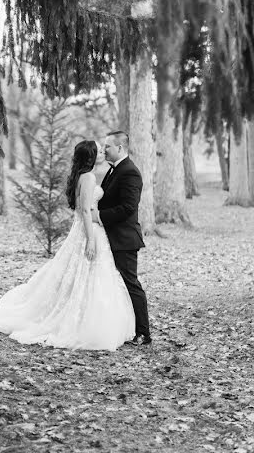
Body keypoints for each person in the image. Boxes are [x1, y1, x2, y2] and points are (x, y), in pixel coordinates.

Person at [0, 140, 135, 351]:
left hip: (86, 229)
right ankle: (79, 320)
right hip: (88, 231)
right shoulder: (88, 177)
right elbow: (85, 210)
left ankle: (83, 313)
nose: (102, 152)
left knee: (81, 275)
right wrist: (91, 239)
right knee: (85, 272)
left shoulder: (83, 176)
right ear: (92, 156)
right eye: (99, 150)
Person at [92, 130, 151, 345]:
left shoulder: (130, 172)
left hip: (124, 239)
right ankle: (123, 328)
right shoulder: (113, 170)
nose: (104, 149)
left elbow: (128, 208)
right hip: (110, 237)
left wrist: (98, 216)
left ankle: (143, 333)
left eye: (108, 146)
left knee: (130, 284)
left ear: (120, 148)